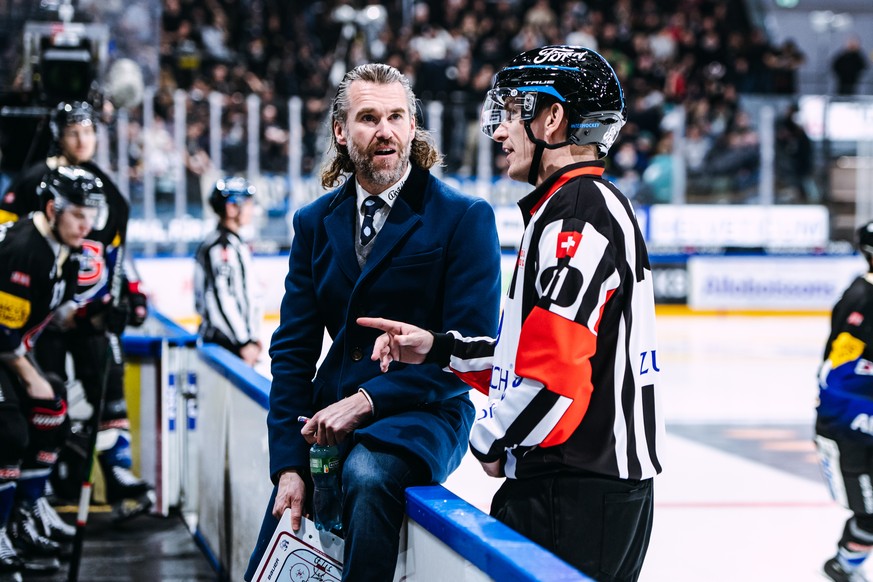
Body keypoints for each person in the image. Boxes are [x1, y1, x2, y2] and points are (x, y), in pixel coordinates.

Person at [359, 45, 665, 582]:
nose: (499, 131)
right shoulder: (574, 205)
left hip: (574, 494)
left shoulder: (577, 214)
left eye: (513, 111)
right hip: (581, 490)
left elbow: (555, 381)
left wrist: (490, 439)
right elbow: (531, 355)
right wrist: (438, 347)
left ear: (553, 118)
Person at [244, 63, 501, 581]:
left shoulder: (463, 217)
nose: (384, 130)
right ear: (341, 131)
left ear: (412, 127)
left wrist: (368, 402)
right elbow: (292, 349)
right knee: (278, 539)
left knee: (368, 473)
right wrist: (289, 466)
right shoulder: (314, 222)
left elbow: (473, 351)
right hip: (327, 417)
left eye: (396, 117)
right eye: (368, 117)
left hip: (423, 413)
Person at [0, 101, 154, 526]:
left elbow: (117, 252)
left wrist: (129, 293)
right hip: (40, 316)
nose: (83, 139)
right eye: (73, 132)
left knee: (108, 388)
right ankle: (33, 494)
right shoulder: (32, 183)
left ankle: (114, 470)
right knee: (38, 404)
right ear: (58, 135)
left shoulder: (106, 188)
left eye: (89, 131)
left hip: (89, 311)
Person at [0, 166, 106, 580]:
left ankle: (24, 514)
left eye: (91, 215)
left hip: (11, 349)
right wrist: (29, 376)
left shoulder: (62, 246)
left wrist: (101, 311)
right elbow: (4, 330)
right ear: (51, 208)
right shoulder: (25, 249)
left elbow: (55, 313)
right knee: (9, 431)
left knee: (53, 406)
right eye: (79, 215)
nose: (88, 225)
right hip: (4, 349)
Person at [815, 221, 873, 582]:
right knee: (869, 515)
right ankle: (842, 566)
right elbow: (839, 375)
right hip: (851, 430)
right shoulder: (861, 299)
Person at [194, 176, 262, 366]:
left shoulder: (233, 243)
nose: (251, 210)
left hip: (234, 342)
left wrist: (252, 337)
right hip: (227, 344)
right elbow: (222, 298)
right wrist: (244, 341)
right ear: (231, 208)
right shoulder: (220, 248)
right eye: (247, 204)